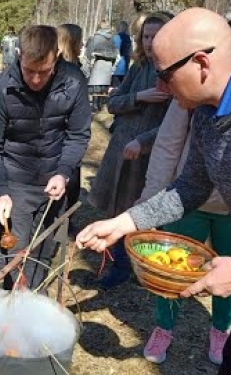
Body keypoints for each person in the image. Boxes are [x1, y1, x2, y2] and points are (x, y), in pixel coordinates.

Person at [77, 7, 231, 374]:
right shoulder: (208, 109)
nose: (160, 88)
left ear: (201, 63)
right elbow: (190, 187)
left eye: (164, 75)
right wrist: (126, 222)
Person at [139, 17, 231, 365]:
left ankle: (221, 330)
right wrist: (141, 211)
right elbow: (171, 152)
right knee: (172, 271)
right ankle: (164, 327)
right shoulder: (194, 100)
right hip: (190, 205)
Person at [0, 25, 91, 290]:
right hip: (16, 181)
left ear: (57, 56)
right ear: (19, 55)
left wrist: (64, 172)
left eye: (44, 71)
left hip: (55, 179)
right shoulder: (2, 90)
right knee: (14, 252)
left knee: (44, 249)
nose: (36, 79)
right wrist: (2, 190)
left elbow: (78, 135)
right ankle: (8, 312)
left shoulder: (73, 82)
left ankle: (31, 303)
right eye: (29, 70)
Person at [86, 12, 172, 290]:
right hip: (121, 147)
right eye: (146, 36)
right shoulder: (138, 68)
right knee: (115, 206)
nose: (150, 42)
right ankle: (115, 260)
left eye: (156, 36)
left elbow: (175, 127)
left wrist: (144, 142)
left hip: (148, 156)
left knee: (136, 211)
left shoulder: (174, 72)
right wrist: (140, 97)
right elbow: (114, 103)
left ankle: (127, 266)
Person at [57, 23, 87, 235]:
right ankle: (60, 222)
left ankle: (66, 221)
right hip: (62, 136)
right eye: (80, 40)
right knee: (67, 183)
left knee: (73, 185)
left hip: (73, 136)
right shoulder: (67, 72)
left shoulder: (77, 68)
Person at [85, 20, 118, 111]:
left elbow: (89, 51)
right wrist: (113, 64)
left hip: (98, 62)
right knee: (104, 83)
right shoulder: (112, 38)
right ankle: (100, 104)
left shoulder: (96, 37)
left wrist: (89, 61)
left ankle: (95, 104)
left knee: (96, 83)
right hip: (108, 64)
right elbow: (115, 52)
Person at [112, 21, 132, 87]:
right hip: (126, 65)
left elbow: (114, 52)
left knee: (114, 89)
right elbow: (130, 52)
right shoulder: (129, 38)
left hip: (117, 66)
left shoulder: (117, 37)